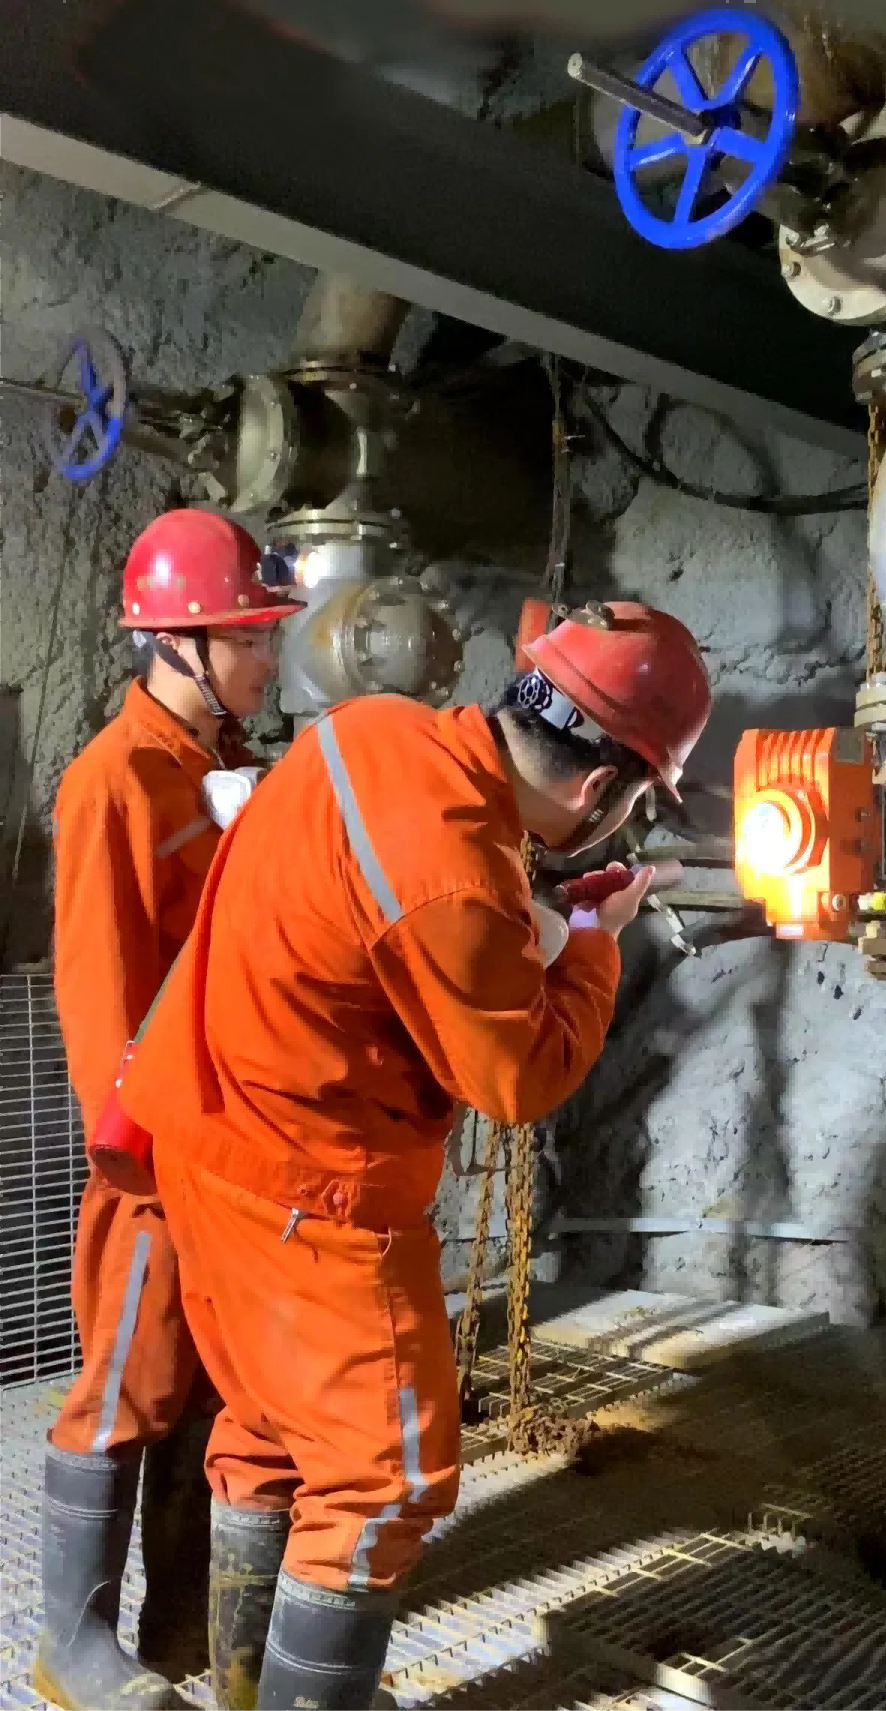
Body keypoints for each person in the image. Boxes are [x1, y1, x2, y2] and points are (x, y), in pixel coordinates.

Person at [116, 599, 711, 1711]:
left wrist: (529, 911)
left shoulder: (370, 728)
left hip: (208, 1143)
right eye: (636, 801)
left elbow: (393, 913)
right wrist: (593, 945)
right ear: (601, 787)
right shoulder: (458, 876)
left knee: (269, 1428)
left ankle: (246, 1690)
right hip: (310, 1197)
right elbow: (516, 1077)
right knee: (381, 1476)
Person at [38, 509, 304, 1711]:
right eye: (251, 635)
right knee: (131, 1382)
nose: (269, 656)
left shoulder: (222, 765)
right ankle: (69, 1644)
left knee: (213, 1387)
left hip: (234, 1145)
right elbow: (99, 992)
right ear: (180, 640)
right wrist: (139, 1160)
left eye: (267, 634)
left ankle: (183, 1622)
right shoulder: (115, 780)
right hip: (159, 1155)